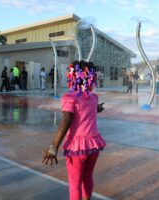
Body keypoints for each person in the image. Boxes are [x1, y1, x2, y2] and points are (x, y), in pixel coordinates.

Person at [42, 60, 106, 200]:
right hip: (94, 144)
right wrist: (97, 109)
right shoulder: (94, 97)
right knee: (87, 176)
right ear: (90, 77)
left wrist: (53, 147)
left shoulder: (69, 98)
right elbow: (89, 111)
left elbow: (67, 120)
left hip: (77, 148)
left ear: (73, 77)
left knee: (75, 182)